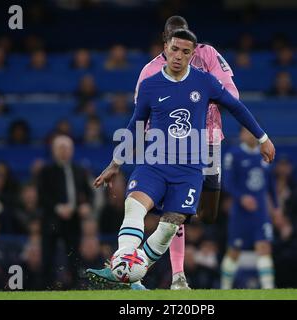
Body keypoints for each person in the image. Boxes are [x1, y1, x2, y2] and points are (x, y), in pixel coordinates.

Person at [86, 29, 275, 290]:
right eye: (174, 49)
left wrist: (262, 137)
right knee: (134, 207)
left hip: (189, 171)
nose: (178, 56)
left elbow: (236, 106)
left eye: (185, 52)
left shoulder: (204, 81)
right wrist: (115, 163)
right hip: (154, 163)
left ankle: (128, 273)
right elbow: (135, 125)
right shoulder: (151, 84)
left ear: (192, 54)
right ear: (166, 47)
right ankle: (123, 267)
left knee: (168, 229)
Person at [130, 15, 241, 290]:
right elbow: (141, 114)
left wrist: (206, 95)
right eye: (172, 43)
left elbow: (231, 92)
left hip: (210, 139)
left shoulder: (207, 54)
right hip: (172, 148)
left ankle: (134, 264)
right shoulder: (151, 71)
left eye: (183, 43)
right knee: (174, 211)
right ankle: (175, 275)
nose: (177, 50)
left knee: (209, 213)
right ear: (164, 42)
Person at [220, 127, 278, 289]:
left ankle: (269, 289)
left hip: (260, 213)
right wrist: (241, 197)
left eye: (253, 132)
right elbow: (227, 183)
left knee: (264, 247)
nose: (251, 135)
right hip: (240, 213)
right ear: (241, 134)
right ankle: (225, 288)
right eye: (247, 132)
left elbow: (271, 184)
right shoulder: (234, 154)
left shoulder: (265, 153)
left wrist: (277, 207)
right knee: (234, 250)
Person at [37, 135, 94, 289]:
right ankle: (46, 289)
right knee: (48, 256)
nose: (64, 151)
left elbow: (89, 193)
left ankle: (76, 287)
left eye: (67, 148)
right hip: (52, 221)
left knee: (75, 255)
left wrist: (86, 205)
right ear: (53, 150)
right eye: (60, 148)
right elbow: (42, 196)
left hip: (74, 220)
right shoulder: (46, 171)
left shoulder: (80, 170)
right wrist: (57, 208)